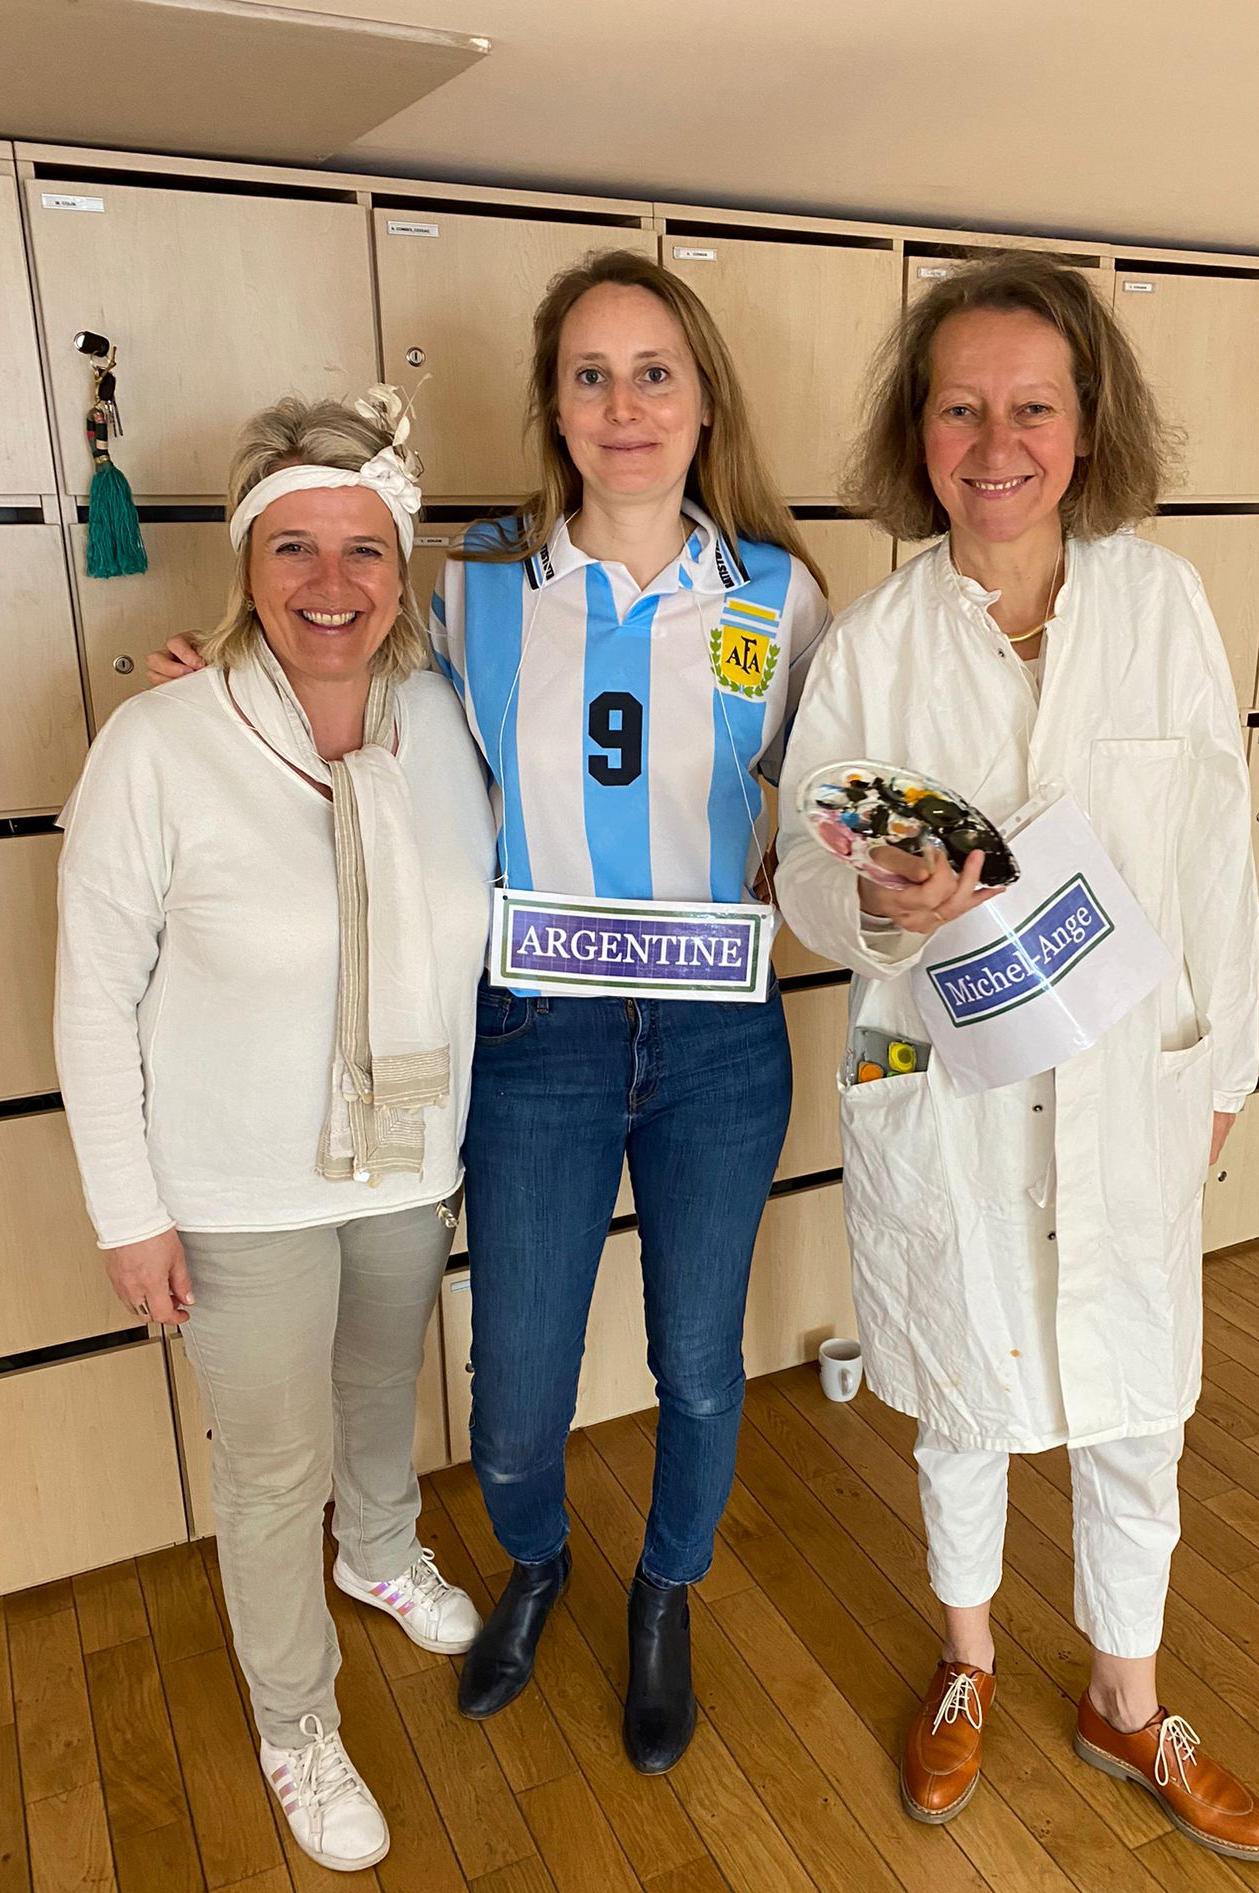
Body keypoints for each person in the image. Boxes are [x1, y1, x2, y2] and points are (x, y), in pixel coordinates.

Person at [776, 252, 1259, 1859]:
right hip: (942, 1077)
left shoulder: (1161, 605)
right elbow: (801, 874)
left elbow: (1216, 851)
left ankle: (1128, 1700)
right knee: (963, 1383)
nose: (997, 444)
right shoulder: (873, 643)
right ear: (915, 432)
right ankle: (969, 1659)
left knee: (1138, 1404)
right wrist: (876, 897)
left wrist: (1222, 1070)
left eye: (1033, 408)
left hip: (1131, 1076)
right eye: (961, 409)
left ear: (1088, 425)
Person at [59, 393, 496, 1872]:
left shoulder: (441, 727)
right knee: (265, 1469)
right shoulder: (160, 744)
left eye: (363, 550)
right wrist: (130, 1212)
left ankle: (377, 1553)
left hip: (403, 1157)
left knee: (379, 1389)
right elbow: (91, 996)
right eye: (294, 546)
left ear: (401, 567)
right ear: (246, 563)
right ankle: (296, 1721)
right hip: (238, 1187)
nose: (331, 583)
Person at [432, 249, 829, 1772]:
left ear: (705, 397)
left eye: (654, 371)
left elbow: (836, 796)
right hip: (539, 1041)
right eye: (590, 375)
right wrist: (220, 687)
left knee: (702, 1365)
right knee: (517, 1403)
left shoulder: (777, 595)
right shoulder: (477, 589)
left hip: (717, 1045)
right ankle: (538, 1561)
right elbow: (356, 726)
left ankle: (665, 1594)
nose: (625, 405)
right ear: (554, 405)